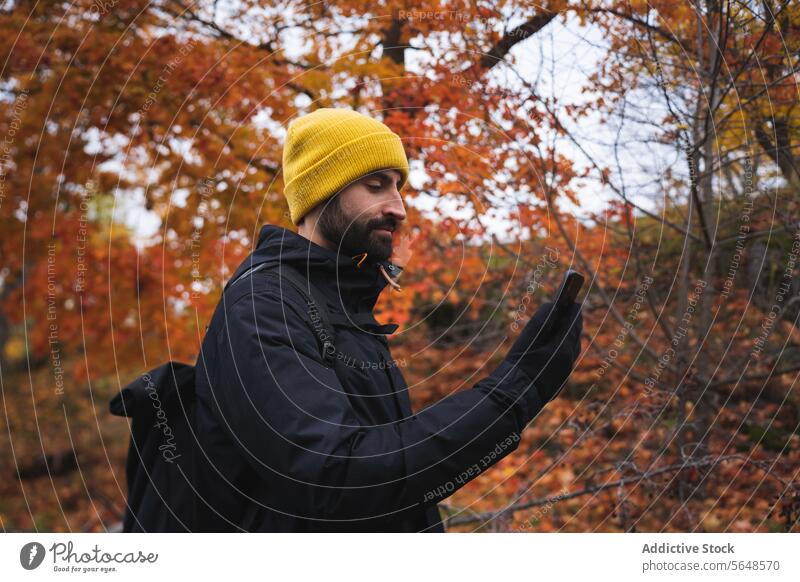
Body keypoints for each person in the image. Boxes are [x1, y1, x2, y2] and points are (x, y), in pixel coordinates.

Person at [193, 107, 583, 532]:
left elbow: (393, 477)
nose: (398, 207)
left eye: (399, 187)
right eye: (376, 186)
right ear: (320, 193)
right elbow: (340, 478)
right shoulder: (262, 307)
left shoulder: (340, 307)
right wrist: (517, 389)